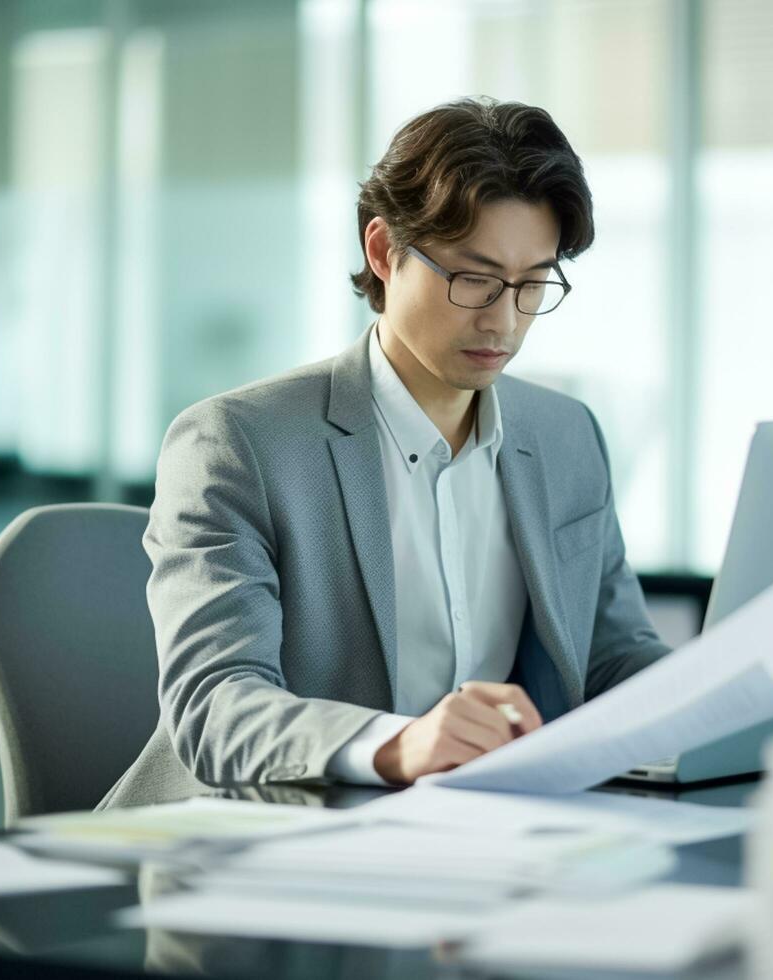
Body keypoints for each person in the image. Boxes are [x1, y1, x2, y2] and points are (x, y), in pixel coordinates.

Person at [101, 97, 669, 808]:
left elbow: (613, 658)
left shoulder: (565, 437)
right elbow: (215, 707)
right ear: (383, 250)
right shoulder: (236, 443)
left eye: (532, 284)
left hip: (481, 841)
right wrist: (398, 745)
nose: (504, 320)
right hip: (251, 847)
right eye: (474, 279)